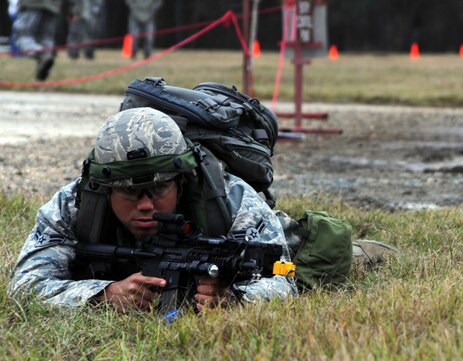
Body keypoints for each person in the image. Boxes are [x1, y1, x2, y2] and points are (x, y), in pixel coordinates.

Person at [9, 107, 298, 312]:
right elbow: (25, 285)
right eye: (129, 192)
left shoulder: (233, 201)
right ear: (106, 189)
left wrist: (234, 298)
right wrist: (103, 295)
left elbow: (285, 283)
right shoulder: (73, 204)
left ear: (182, 182)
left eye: (159, 189)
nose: (146, 205)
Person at [12, 0, 63, 80]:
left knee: (23, 35)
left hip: (32, 4)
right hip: (53, 6)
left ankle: (41, 54)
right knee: (46, 38)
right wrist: (71, 10)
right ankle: (46, 59)